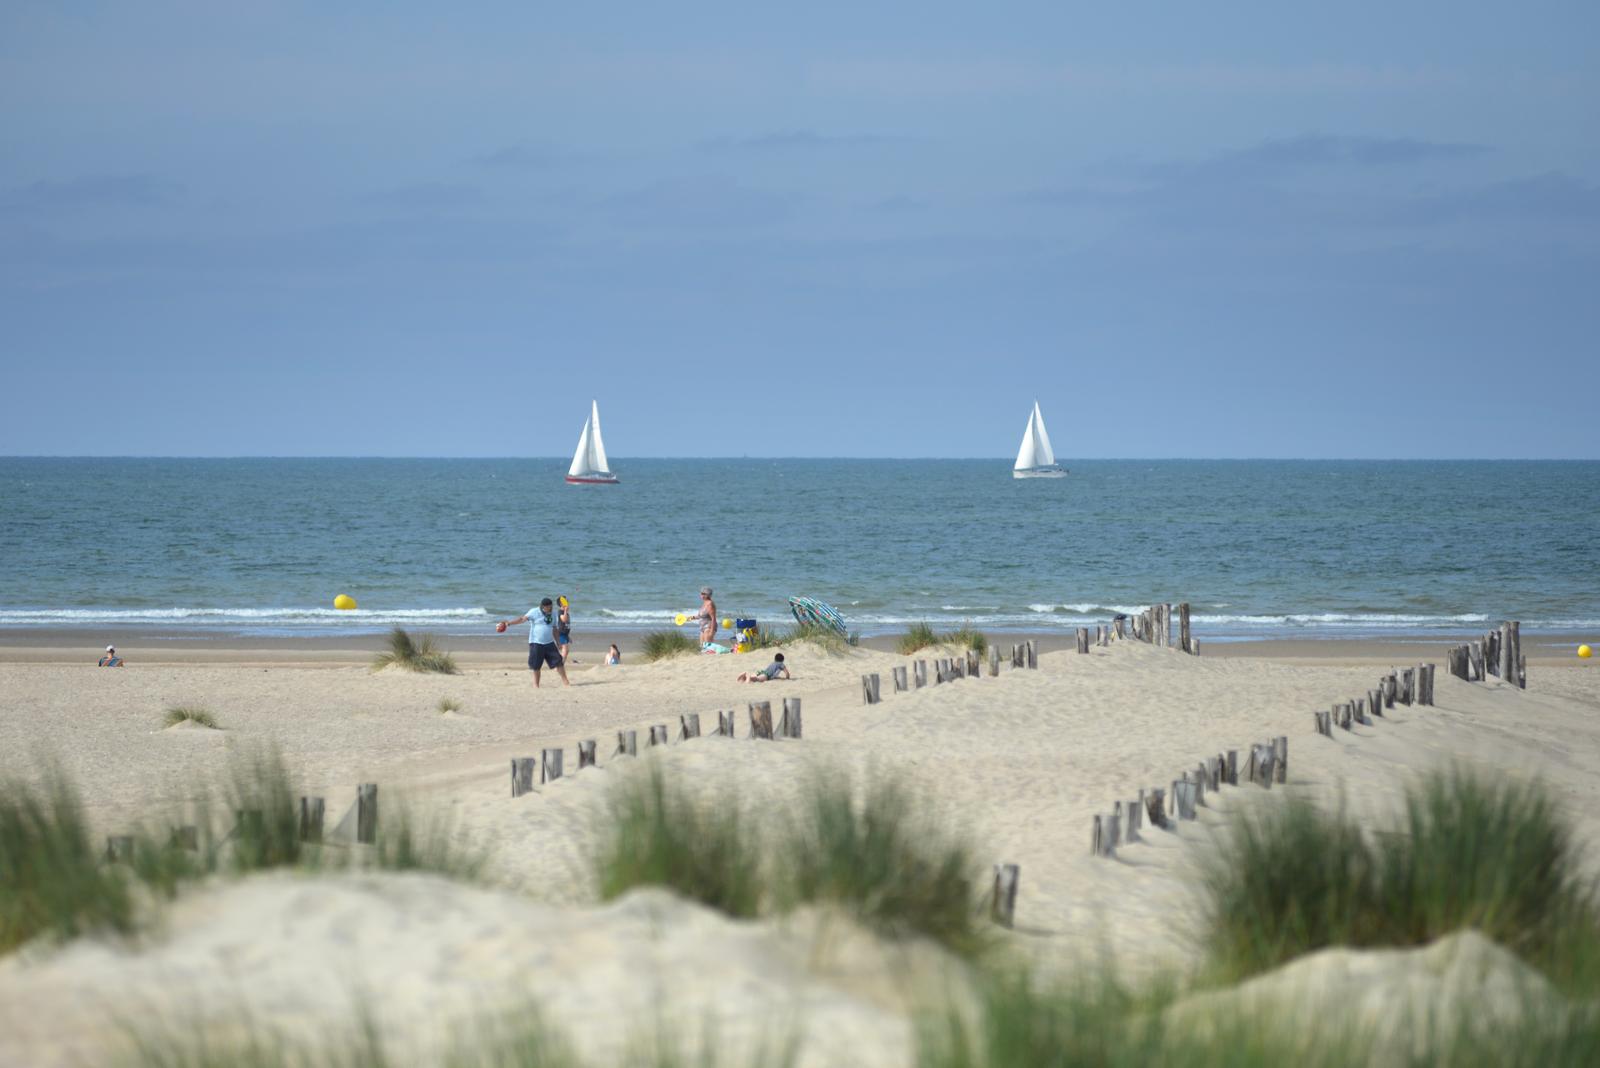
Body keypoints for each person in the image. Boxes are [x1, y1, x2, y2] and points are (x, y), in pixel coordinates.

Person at [495, 598, 570, 688]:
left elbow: (554, 629)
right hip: (536, 643)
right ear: (543, 606)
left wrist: (558, 642)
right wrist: (509, 623)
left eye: (551, 607)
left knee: (559, 663)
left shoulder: (553, 614)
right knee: (536, 666)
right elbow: (522, 619)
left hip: (549, 643)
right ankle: (536, 685)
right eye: (548, 608)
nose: (550, 609)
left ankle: (566, 683)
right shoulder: (534, 611)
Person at [557, 596, 574, 663]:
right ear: (561, 604)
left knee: (566, 651)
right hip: (561, 633)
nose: (567, 603)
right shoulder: (560, 612)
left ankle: (561, 663)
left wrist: (568, 636)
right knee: (565, 649)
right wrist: (565, 611)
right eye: (566, 601)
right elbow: (563, 620)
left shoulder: (566, 613)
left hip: (565, 634)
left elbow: (566, 625)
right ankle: (560, 664)